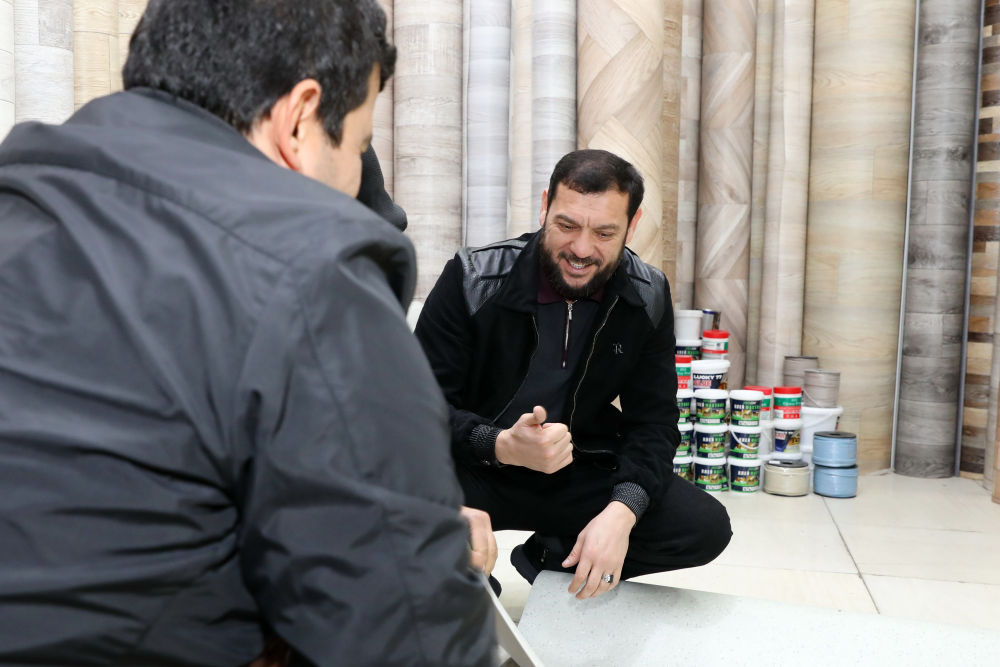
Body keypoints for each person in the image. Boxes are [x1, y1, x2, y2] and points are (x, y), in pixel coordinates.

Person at [0, 1, 495, 665]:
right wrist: (417, 540)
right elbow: (412, 640)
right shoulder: (310, 272)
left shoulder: (24, 199)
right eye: (359, 145)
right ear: (300, 118)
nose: (358, 179)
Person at [416, 149, 733, 600]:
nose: (581, 250)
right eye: (567, 225)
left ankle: (551, 558)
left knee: (701, 527)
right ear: (545, 206)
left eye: (604, 233)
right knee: (384, 503)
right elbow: (417, 408)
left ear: (633, 225)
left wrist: (622, 512)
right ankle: (465, 586)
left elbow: (654, 424)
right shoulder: (473, 278)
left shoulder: (647, 295)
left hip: (574, 467)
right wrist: (499, 443)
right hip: (472, 465)